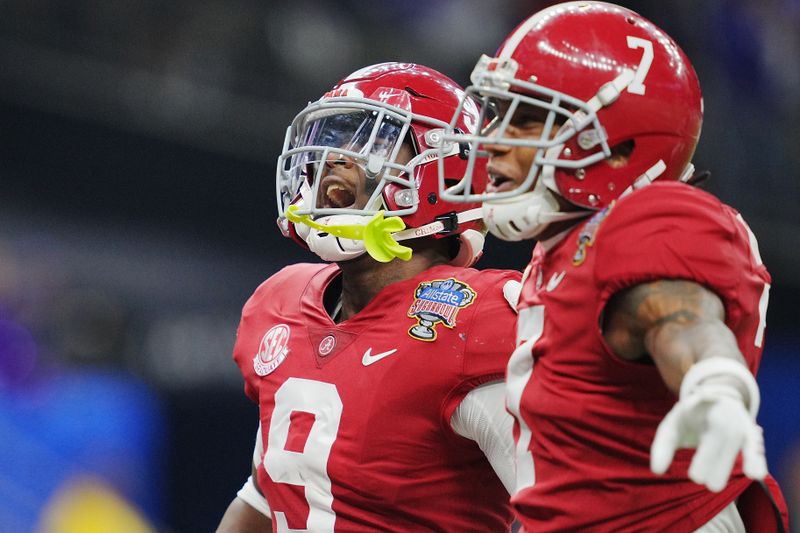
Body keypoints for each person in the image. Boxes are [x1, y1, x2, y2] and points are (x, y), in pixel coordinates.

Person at [438, 2, 789, 531]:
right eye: (499, 115)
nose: (492, 142)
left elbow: (680, 319)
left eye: (527, 119)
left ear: (620, 147)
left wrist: (714, 383)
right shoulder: (568, 244)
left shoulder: (648, 217)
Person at [216, 62, 522, 532]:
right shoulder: (281, 299)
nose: (337, 157)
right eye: (335, 137)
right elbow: (267, 493)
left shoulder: (474, 320)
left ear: (443, 174)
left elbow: (570, 509)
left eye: (373, 141)